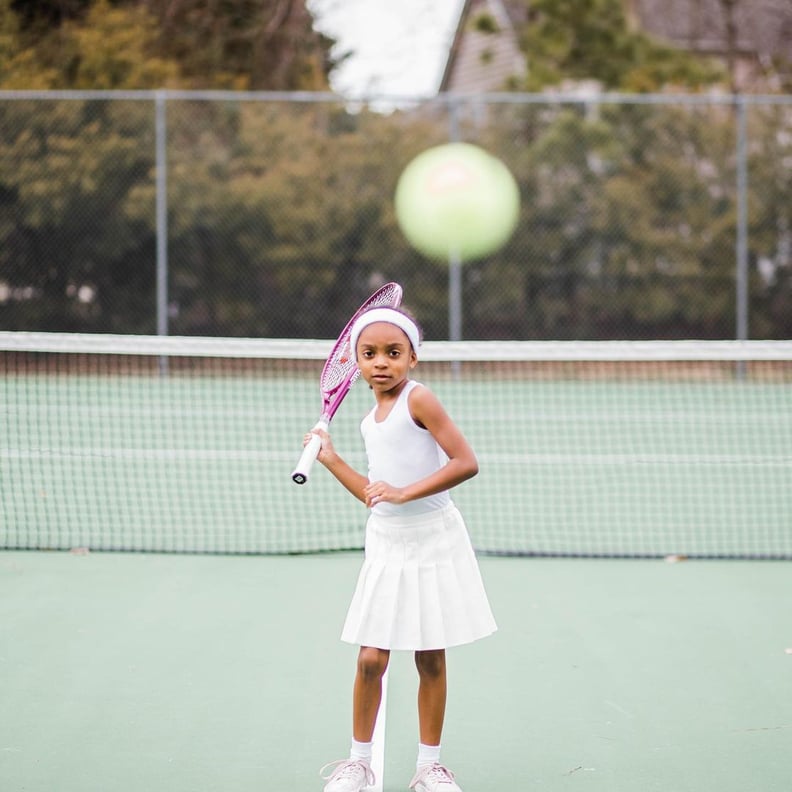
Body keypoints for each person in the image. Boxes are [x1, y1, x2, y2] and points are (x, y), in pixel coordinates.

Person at [305, 306, 497, 792]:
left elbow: (466, 461)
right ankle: (358, 765)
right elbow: (374, 493)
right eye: (369, 354)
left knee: (430, 655)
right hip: (387, 543)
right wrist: (330, 459)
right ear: (357, 362)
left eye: (394, 352)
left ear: (413, 357)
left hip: (434, 536)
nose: (381, 363)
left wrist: (406, 492)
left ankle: (429, 768)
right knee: (371, 658)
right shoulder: (370, 421)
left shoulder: (420, 400)